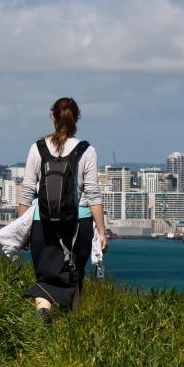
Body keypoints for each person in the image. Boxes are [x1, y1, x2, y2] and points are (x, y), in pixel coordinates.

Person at [18, 97, 108, 322]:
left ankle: (43, 313)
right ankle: (71, 331)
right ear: (77, 118)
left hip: (42, 222)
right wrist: (102, 232)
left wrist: (23, 228)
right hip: (79, 223)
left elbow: (27, 190)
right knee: (73, 276)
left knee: (45, 277)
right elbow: (93, 194)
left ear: (53, 118)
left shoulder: (37, 148)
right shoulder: (86, 150)